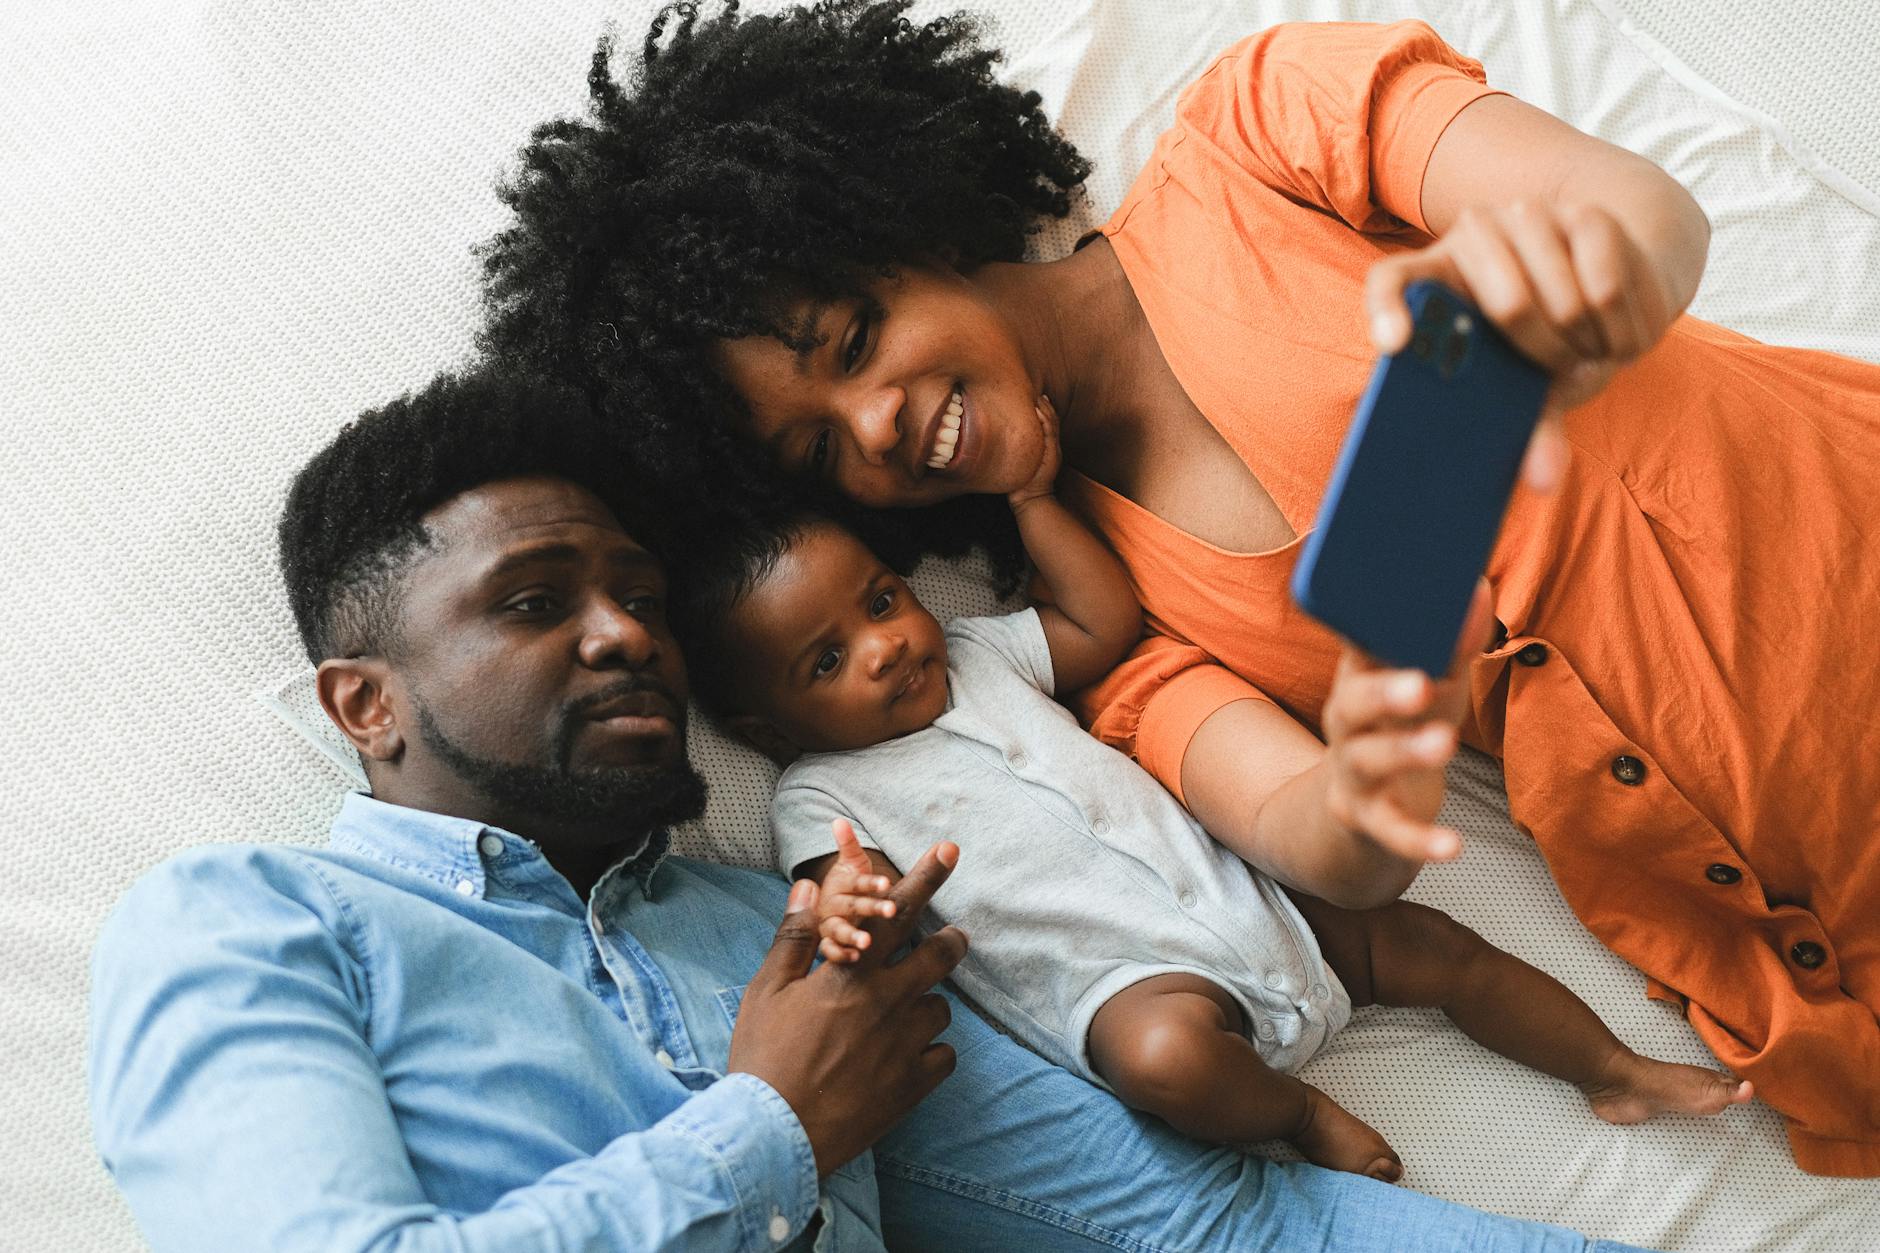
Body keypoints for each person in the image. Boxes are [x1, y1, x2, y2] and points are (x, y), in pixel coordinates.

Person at [478, 0, 1880, 1175]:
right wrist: (1371, 783)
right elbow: (1328, 846)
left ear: (900, 212)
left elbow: (1637, 215)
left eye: (855, 338)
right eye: (817, 451)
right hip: (1822, 923)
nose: (879, 425)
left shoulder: (1260, 136)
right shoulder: (1109, 643)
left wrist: (1566, 287)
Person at [86, 372, 1649, 1251]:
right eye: (538, 601)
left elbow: (1211, 1229)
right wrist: (771, 1122)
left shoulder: (796, 929)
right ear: (368, 703)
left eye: (638, 594)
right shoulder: (242, 921)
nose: (631, 633)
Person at [665, 396, 1749, 1183]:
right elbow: (837, 879)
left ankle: (1610, 1065)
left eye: (882, 598)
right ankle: (1299, 1113)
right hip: (1132, 984)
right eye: (825, 659)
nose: (883, 646)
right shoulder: (816, 789)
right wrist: (848, 900)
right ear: (764, 726)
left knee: (1435, 946)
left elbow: (1100, 620)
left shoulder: (976, 651)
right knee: (1166, 1063)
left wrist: (1035, 502)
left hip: (1248, 897)